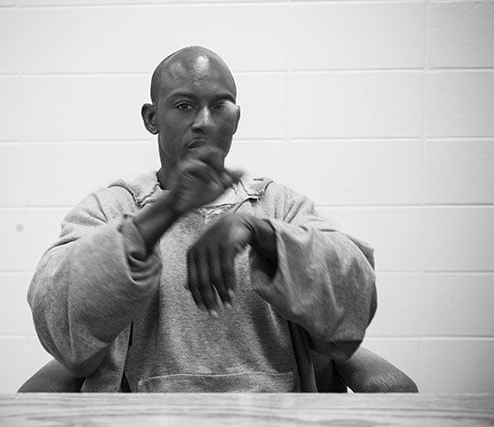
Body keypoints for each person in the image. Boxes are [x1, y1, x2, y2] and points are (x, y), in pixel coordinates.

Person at [28, 46, 377, 392]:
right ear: (152, 118)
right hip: (144, 418)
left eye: (220, 106)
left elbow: (355, 296)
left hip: (268, 415)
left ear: (236, 118)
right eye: (184, 106)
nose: (204, 122)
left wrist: (259, 231)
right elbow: (57, 315)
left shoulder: (277, 205)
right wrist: (168, 210)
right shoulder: (111, 209)